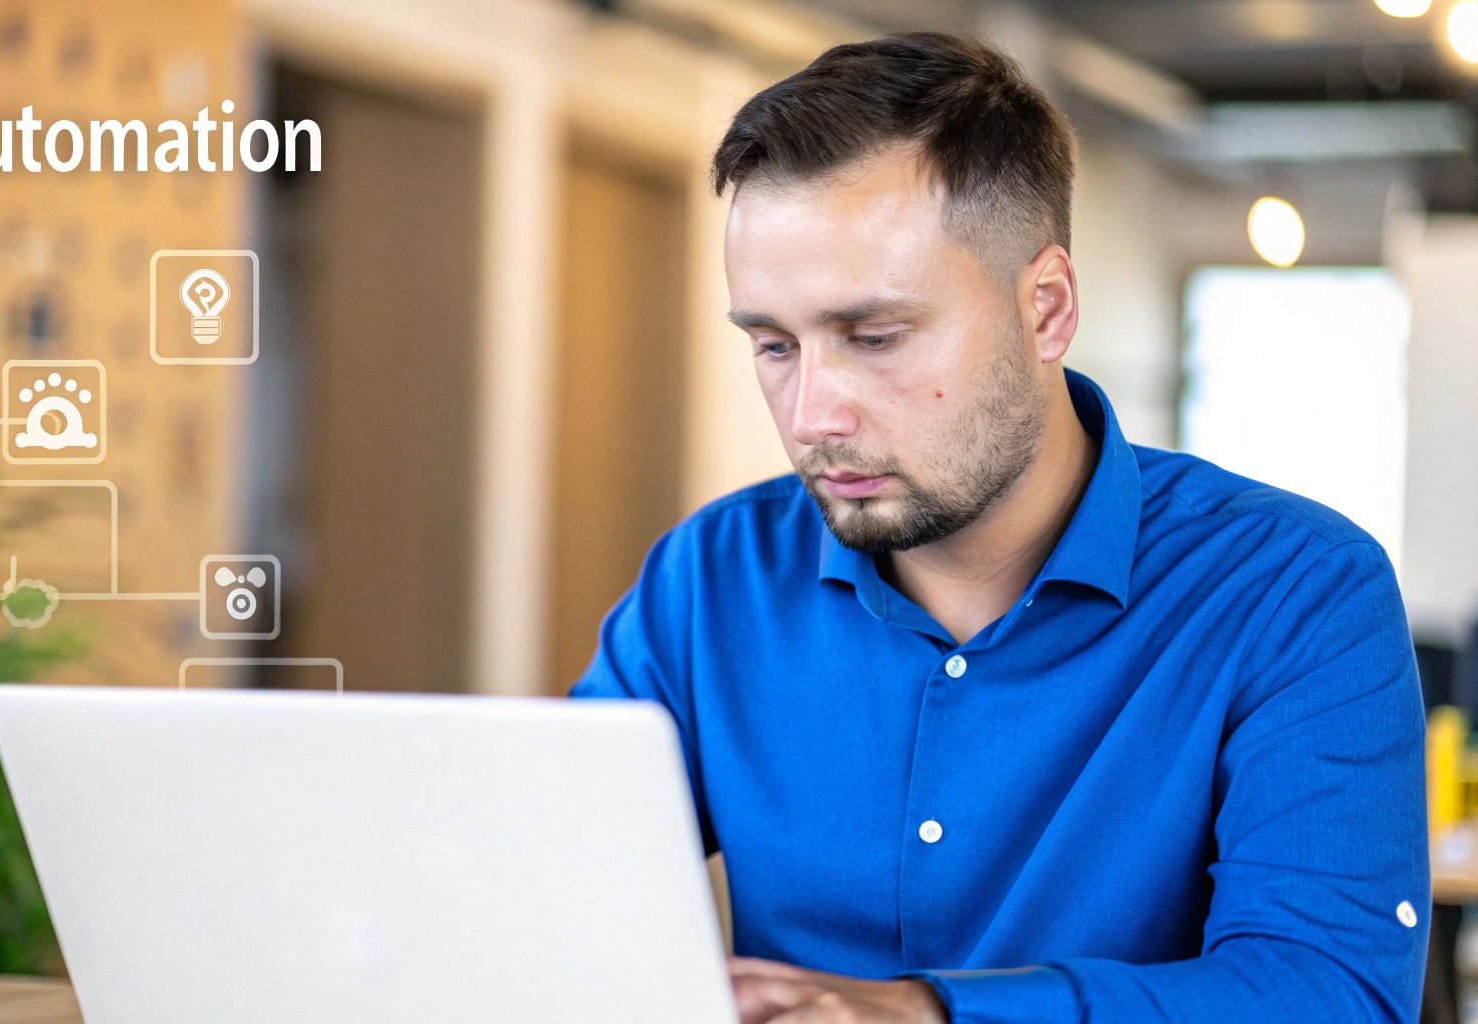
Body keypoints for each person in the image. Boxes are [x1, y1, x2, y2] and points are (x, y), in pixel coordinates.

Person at [570, 31, 1429, 1024]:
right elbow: (545, 883)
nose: (811, 416)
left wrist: (928, 1012)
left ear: (1046, 309)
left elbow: (1328, 992)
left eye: (873, 337)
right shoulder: (710, 580)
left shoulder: (1295, 593)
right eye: (772, 345)